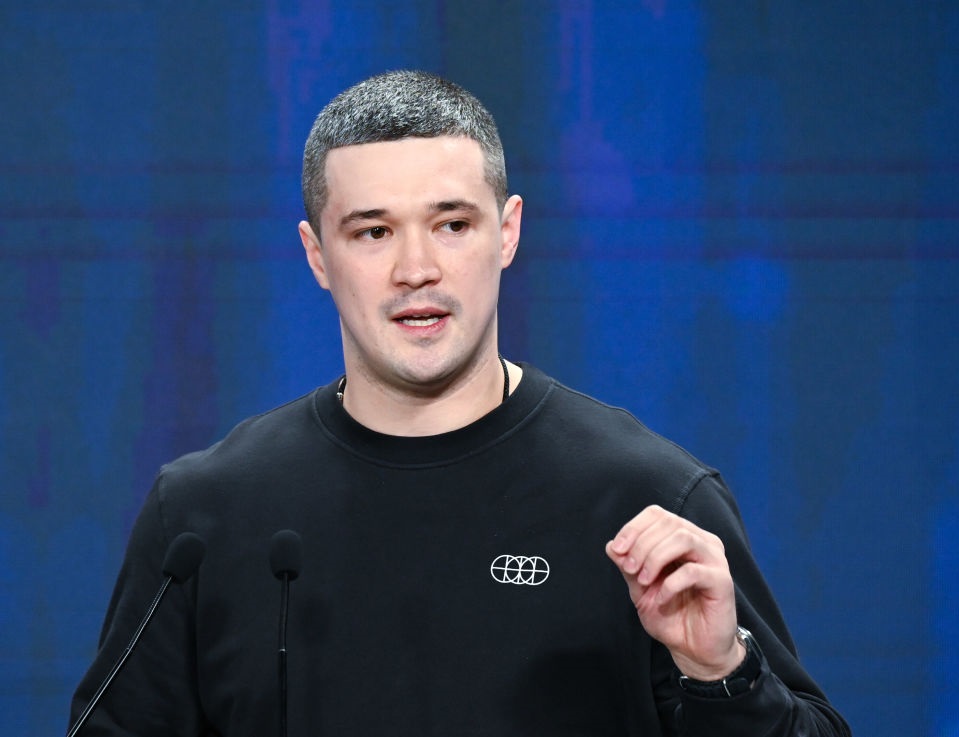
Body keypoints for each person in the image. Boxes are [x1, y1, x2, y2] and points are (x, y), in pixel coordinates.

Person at [69, 70, 850, 736]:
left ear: (507, 232)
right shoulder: (202, 518)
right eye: (373, 232)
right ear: (317, 255)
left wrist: (723, 672)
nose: (417, 267)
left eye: (451, 224)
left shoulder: (649, 501)